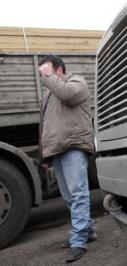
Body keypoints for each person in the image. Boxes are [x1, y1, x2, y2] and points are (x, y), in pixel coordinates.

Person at [38, 55, 96, 263]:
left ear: (59, 69)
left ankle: (79, 240)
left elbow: (67, 95)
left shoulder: (77, 82)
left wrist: (47, 76)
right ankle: (87, 231)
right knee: (69, 197)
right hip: (57, 149)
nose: (42, 72)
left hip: (73, 146)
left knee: (78, 194)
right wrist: (44, 153)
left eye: (46, 67)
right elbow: (45, 125)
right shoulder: (49, 94)